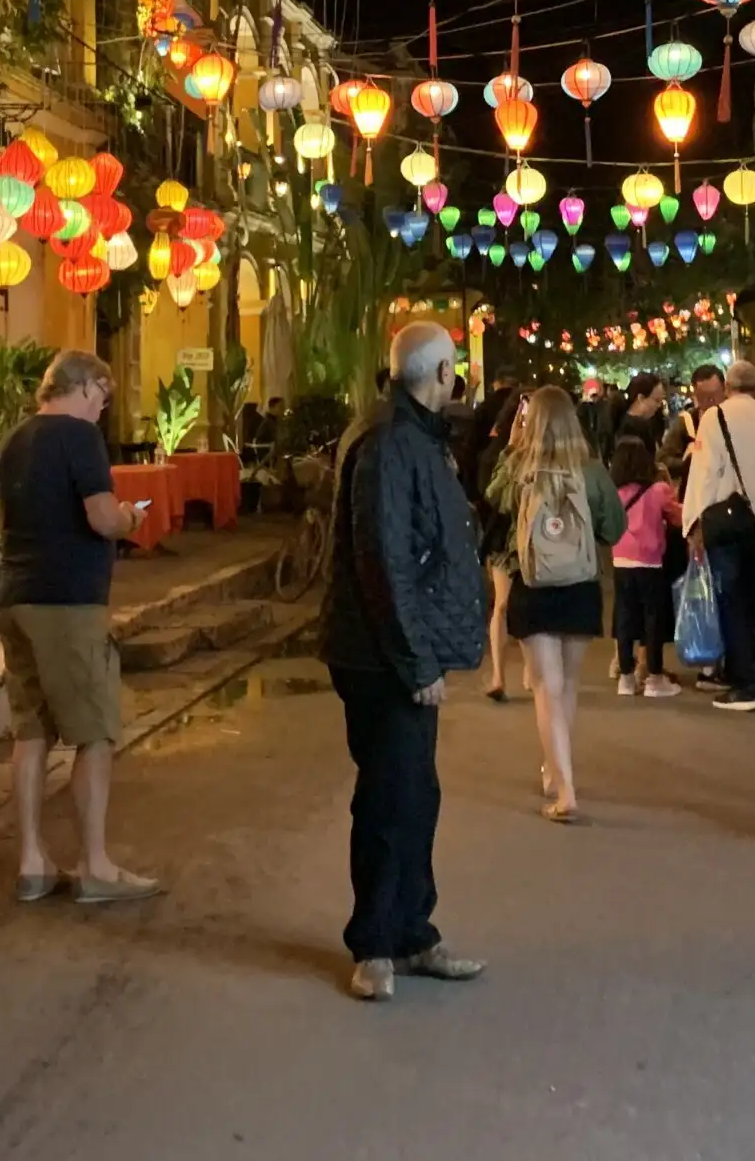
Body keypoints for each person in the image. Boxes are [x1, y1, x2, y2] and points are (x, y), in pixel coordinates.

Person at [321, 322, 489, 1002]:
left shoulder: (413, 434)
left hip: (400, 648)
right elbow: (383, 559)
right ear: (441, 372)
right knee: (391, 797)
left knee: (416, 792)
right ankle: (376, 944)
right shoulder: (392, 440)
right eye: (456, 369)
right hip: (382, 655)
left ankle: (412, 930)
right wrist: (416, 661)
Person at [0, 350, 159, 905]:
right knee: (94, 729)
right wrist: (132, 518)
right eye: (104, 399)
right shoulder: (79, 438)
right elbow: (101, 516)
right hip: (68, 603)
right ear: (87, 386)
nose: (102, 410)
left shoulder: (14, 439)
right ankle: (94, 865)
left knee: (31, 729)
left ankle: (32, 862)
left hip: (16, 595)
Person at [502, 386, 625, 820]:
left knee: (545, 689)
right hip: (580, 584)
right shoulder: (591, 471)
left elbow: (492, 514)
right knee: (567, 687)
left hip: (532, 586)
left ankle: (564, 786)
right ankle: (556, 772)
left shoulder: (517, 469)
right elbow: (615, 526)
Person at [684, 359, 755, 711]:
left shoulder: (714, 419)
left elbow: (704, 475)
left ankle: (745, 684)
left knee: (734, 603)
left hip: (729, 524)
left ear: (728, 387)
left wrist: (693, 525)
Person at [607, 435, 682, 697]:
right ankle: (654, 677)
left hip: (620, 560)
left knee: (626, 618)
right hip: (650, 563)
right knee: (653, 620)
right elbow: (679, 517)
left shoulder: (614, 493)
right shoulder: (658, 491)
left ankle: (625, 678)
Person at [469, 385, 529, 701]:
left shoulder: (548, 453)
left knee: (528, 606)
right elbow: (490, 497)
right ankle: (498, 676)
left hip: (537, 541)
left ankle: (531, 669)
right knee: (503, 605)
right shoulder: (496, 454)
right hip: (505, 540)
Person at [656, 363, 723, 487]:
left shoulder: (733, 419)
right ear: (695, 395)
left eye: (714, 395)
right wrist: (688, 463)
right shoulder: (687, 422)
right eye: (703, 396)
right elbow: (662, 460)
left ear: (724, 390)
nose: (710, 401)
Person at [609, 371, 666, 462]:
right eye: (657, 400)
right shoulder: (638, 427)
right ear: (641, 398)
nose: (659, 405)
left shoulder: (623, 420)